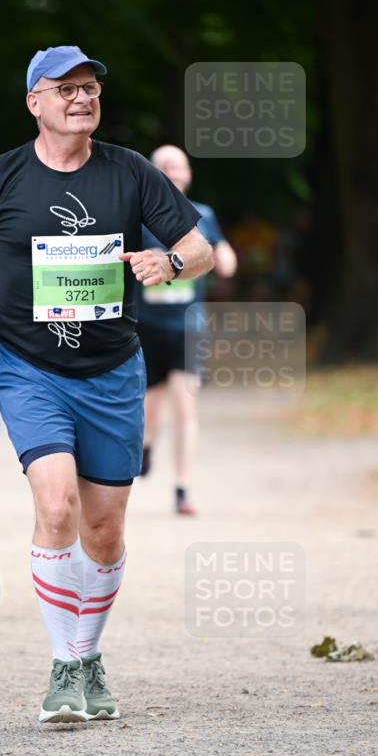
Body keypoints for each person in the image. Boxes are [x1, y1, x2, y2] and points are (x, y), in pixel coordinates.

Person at [0, 46, 213, 723]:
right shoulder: (0, 178)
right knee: (56, 508)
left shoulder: (130, 173)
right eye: (64, 89)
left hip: (113, 372)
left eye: (88, 88)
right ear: (35, 103)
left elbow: (197, 248)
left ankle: (87, 656)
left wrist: (167, 261)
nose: (80, 98)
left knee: (104, 530)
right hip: (28, 367)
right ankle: (60, 669)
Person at [136, 145, 237, 515]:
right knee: (151, 403)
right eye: (165, 168)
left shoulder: (203, 215)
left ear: (189, 173)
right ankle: (145, 445)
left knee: (184, 403)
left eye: (179, 167)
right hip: (147, 325)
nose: (174, 173)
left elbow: (223, 254)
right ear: (154, 174)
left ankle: (182, 488)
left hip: (187, 326)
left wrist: (224, 258)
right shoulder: (140, 215)